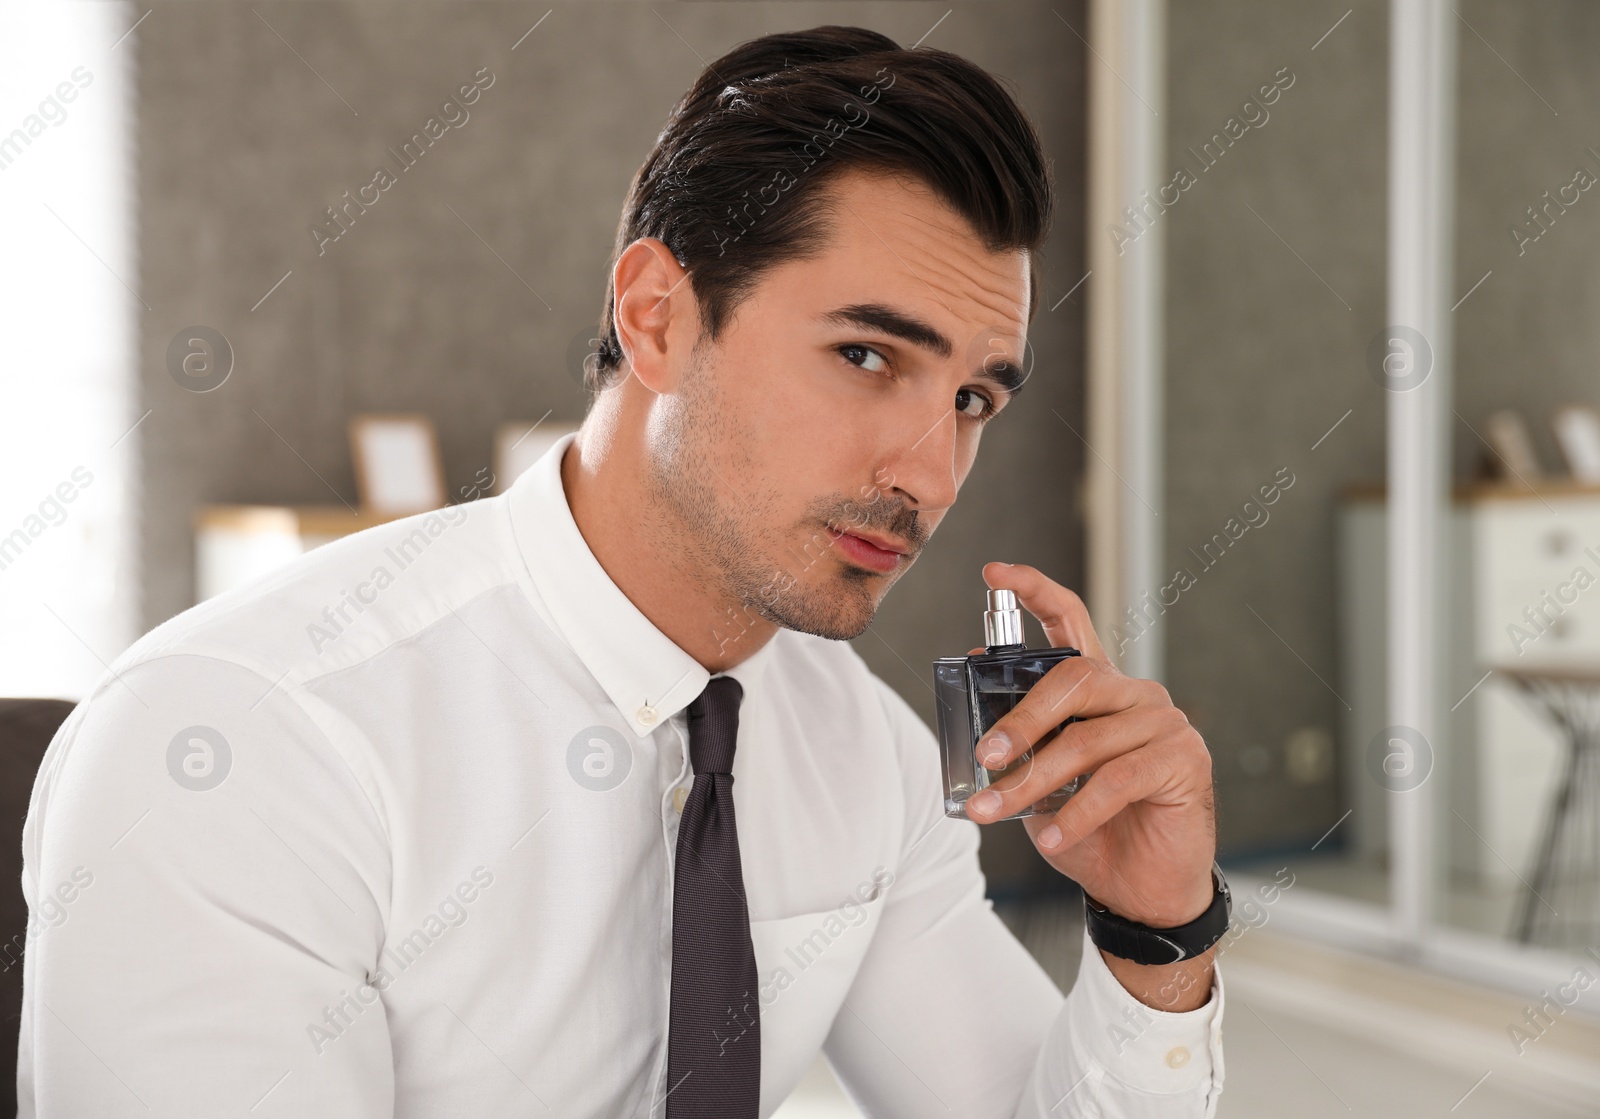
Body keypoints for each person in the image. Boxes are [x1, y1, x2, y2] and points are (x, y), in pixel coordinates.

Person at [18, 24, 1225, 1118]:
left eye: (971, 398)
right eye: (864, 355)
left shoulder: (864, 753)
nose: (929, 470)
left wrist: (1154, 931)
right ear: (656, 317)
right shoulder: (248, 745)